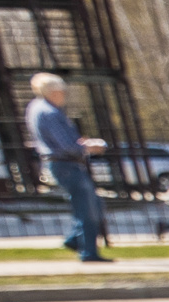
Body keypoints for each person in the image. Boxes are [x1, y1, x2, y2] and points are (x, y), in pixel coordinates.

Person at [25, 73, 108, 263]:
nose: (64, 94)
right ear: (53, 91)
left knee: (92, 203)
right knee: (88, 208)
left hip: (60, 163)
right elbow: (67, 146)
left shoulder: (36, 108)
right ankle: (88, 251)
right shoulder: (49, 112)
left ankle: (75, 240)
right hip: (66, 164)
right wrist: (89, 147)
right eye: (62, 91)